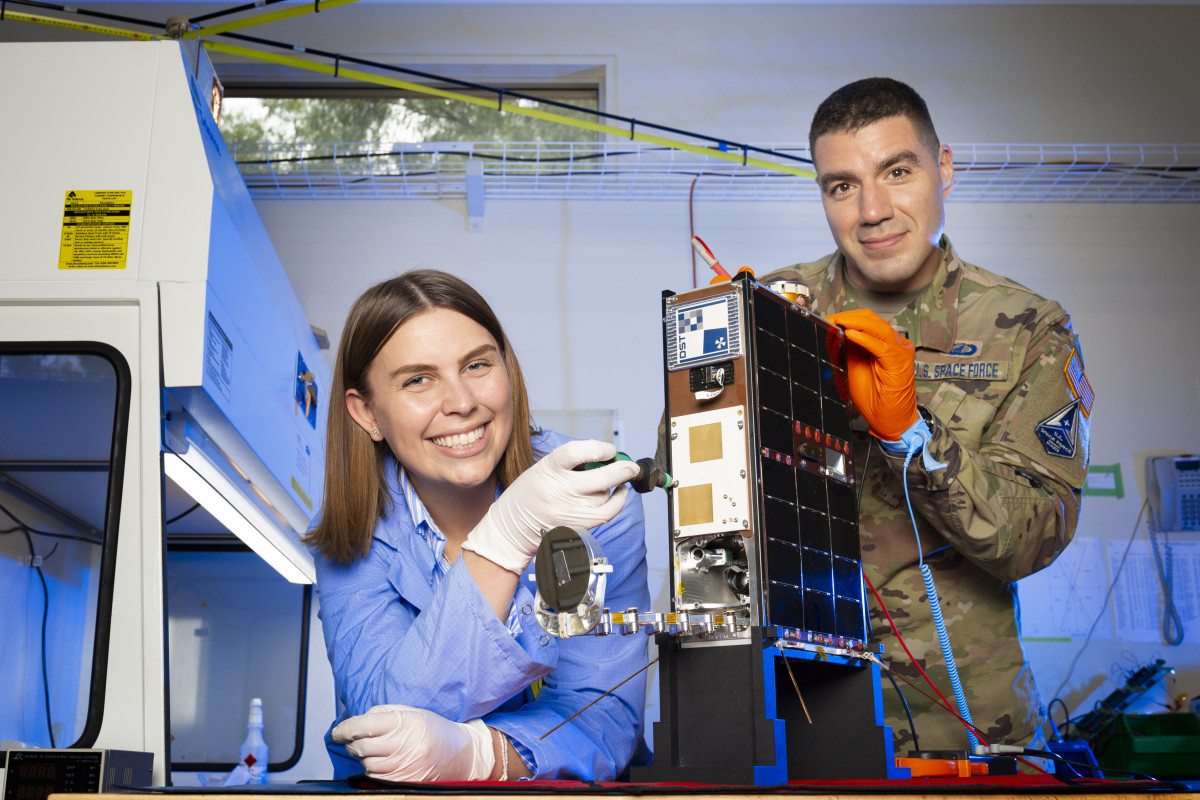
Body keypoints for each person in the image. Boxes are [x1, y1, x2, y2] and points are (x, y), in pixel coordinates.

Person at [760, 78, 1092, 753]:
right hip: (795, 717)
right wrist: (735, 355)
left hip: (966, 728)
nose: (873, 210)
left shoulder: (1027, 328)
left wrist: (912, 434)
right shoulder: (775, 310)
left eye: (897, 171)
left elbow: (1031, 539)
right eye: (842, 186)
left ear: (943, 169)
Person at [305, 270, 651, 782]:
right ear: (366, 412)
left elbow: (602, 711)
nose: (462, 401)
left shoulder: (593, 497)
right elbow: (383, 714)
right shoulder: (351, 531)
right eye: (418, 379)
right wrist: (505, 540)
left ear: (506, 368)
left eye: (477, 365)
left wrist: (482, 754)